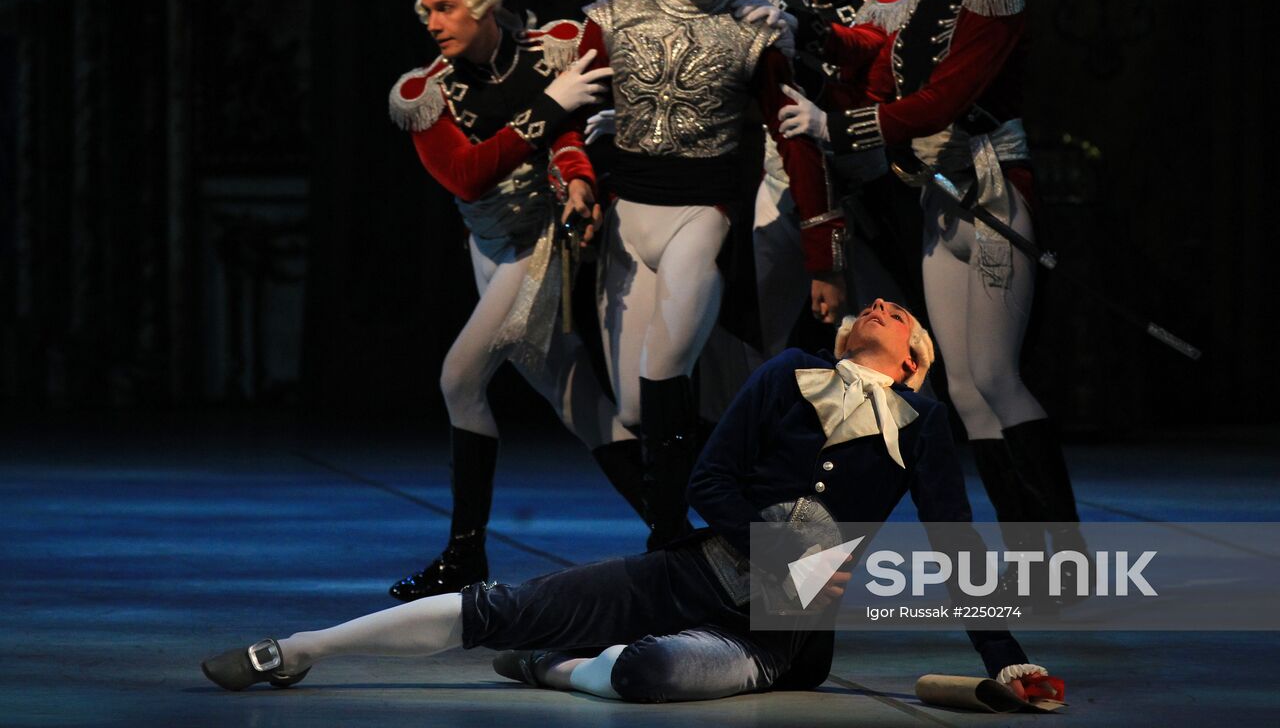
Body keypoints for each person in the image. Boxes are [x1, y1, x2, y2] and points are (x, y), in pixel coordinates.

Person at [201, 299, 1062, 705]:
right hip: (686, 578)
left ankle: (555, 664)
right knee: (506, 605)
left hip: (772, 636)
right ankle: (299, 647)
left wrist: (1005, 657)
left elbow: (958, 546)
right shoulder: (784, 377)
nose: (882, 301)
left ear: (914, 360)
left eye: (901, 312)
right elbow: (707, 485)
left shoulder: (924, 420)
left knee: (649, 673)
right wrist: (772, 548)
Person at [774, 0, 1081, 553]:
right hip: (941, 206)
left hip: (994, 192)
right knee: (966, 388)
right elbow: (875, 73)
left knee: (998, 376)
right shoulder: (912, 8)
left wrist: (836, 128)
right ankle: (1029, 560)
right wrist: (809, 36)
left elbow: (940, 102)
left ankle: (1063, 558)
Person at [578, 0, 846, 548]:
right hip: (626, 220)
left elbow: (796, 142)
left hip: (703, 216)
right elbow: (570, 115)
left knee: (667, 375)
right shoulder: (611, 18)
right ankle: (723, 525)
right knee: (638, 405)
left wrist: (824, 260)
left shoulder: (752, 33)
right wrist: (575, 180)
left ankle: (667, 542)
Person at [384, 0, 647, 602]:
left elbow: (584, 131)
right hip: (490, 248)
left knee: (459, 377)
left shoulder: (552, 50)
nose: (432, 21)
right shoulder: (426, 92)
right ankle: (674, 528)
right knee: (574, 396)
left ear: (484, 3)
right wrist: (546, 110)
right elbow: (468, 175)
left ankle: (464, 552)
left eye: (445, 8)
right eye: (427, 10)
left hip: (543, 245)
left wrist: (569, 139)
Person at [737, 0, 925, 359]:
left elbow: (877, 91)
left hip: (861, 188)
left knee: (886, 340)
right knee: (763, 329)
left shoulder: (890, 7)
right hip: (779, 184)